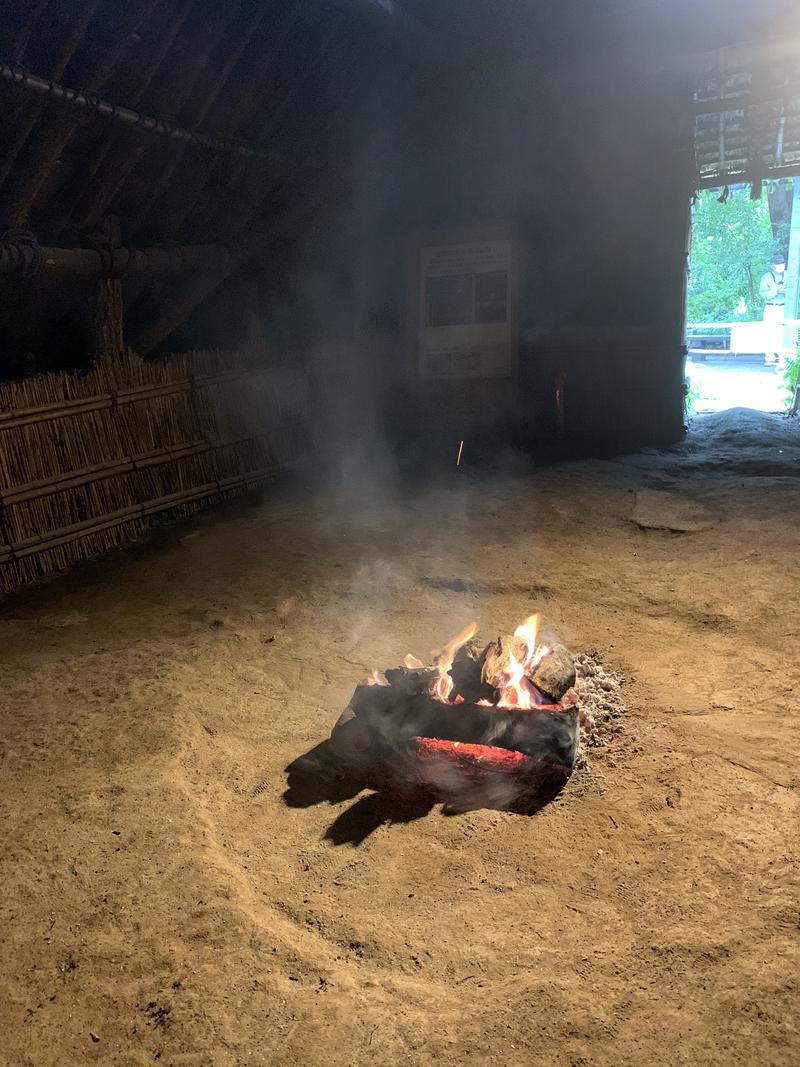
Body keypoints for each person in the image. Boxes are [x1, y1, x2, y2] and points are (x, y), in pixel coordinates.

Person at [760, 253, 786, 364]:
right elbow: (763, 295)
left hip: (784, 307)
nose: (780, 265)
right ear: (772, 265)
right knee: (769, 332)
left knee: (784, 332)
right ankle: (769, 357)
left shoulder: (789, 275)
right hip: (771, 308)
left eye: (782, 263)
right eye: (778, 264)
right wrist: (777, 291)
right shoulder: (766, 277)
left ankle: (783, 357)